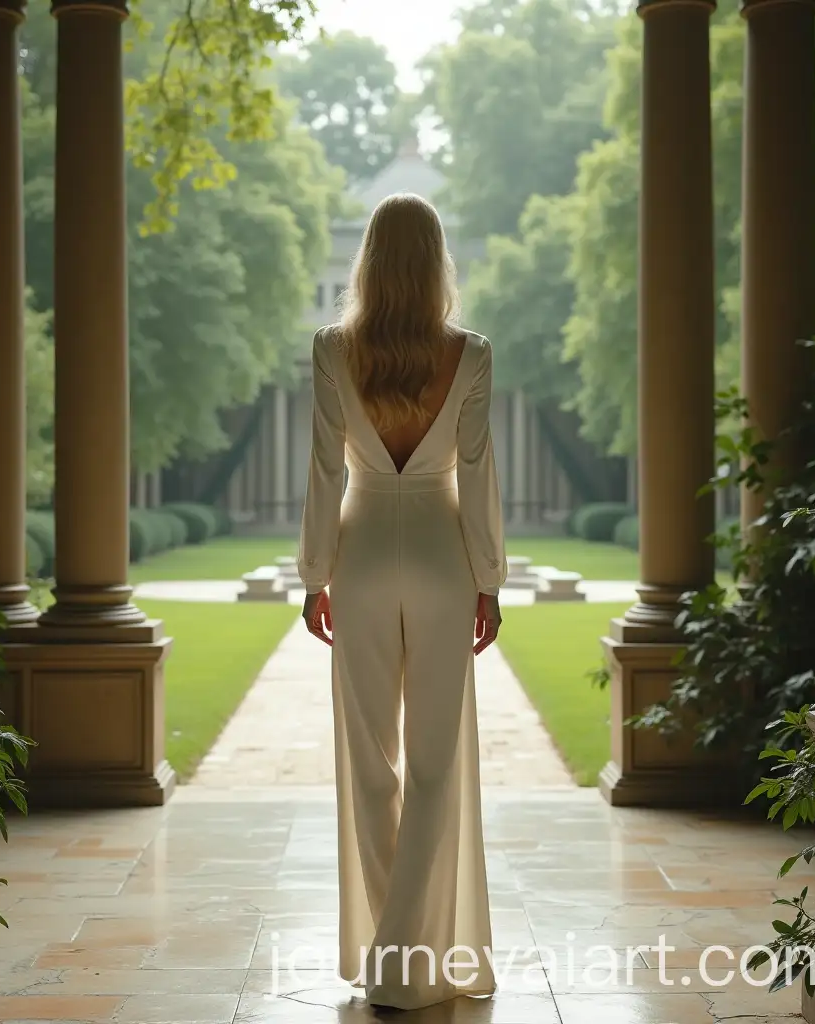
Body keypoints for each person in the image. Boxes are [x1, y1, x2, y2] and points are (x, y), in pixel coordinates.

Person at [297, 191, 507, 1011]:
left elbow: (322, 469)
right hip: (440, 554)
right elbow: (480, 470)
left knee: (369, 762)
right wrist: (489, 578)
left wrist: (313, 573)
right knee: (436, 764)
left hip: (360, 555)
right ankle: (407, 959)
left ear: (369, 260)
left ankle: (392, 954)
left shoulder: (330, 350)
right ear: (437, 262)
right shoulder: (473, 353)